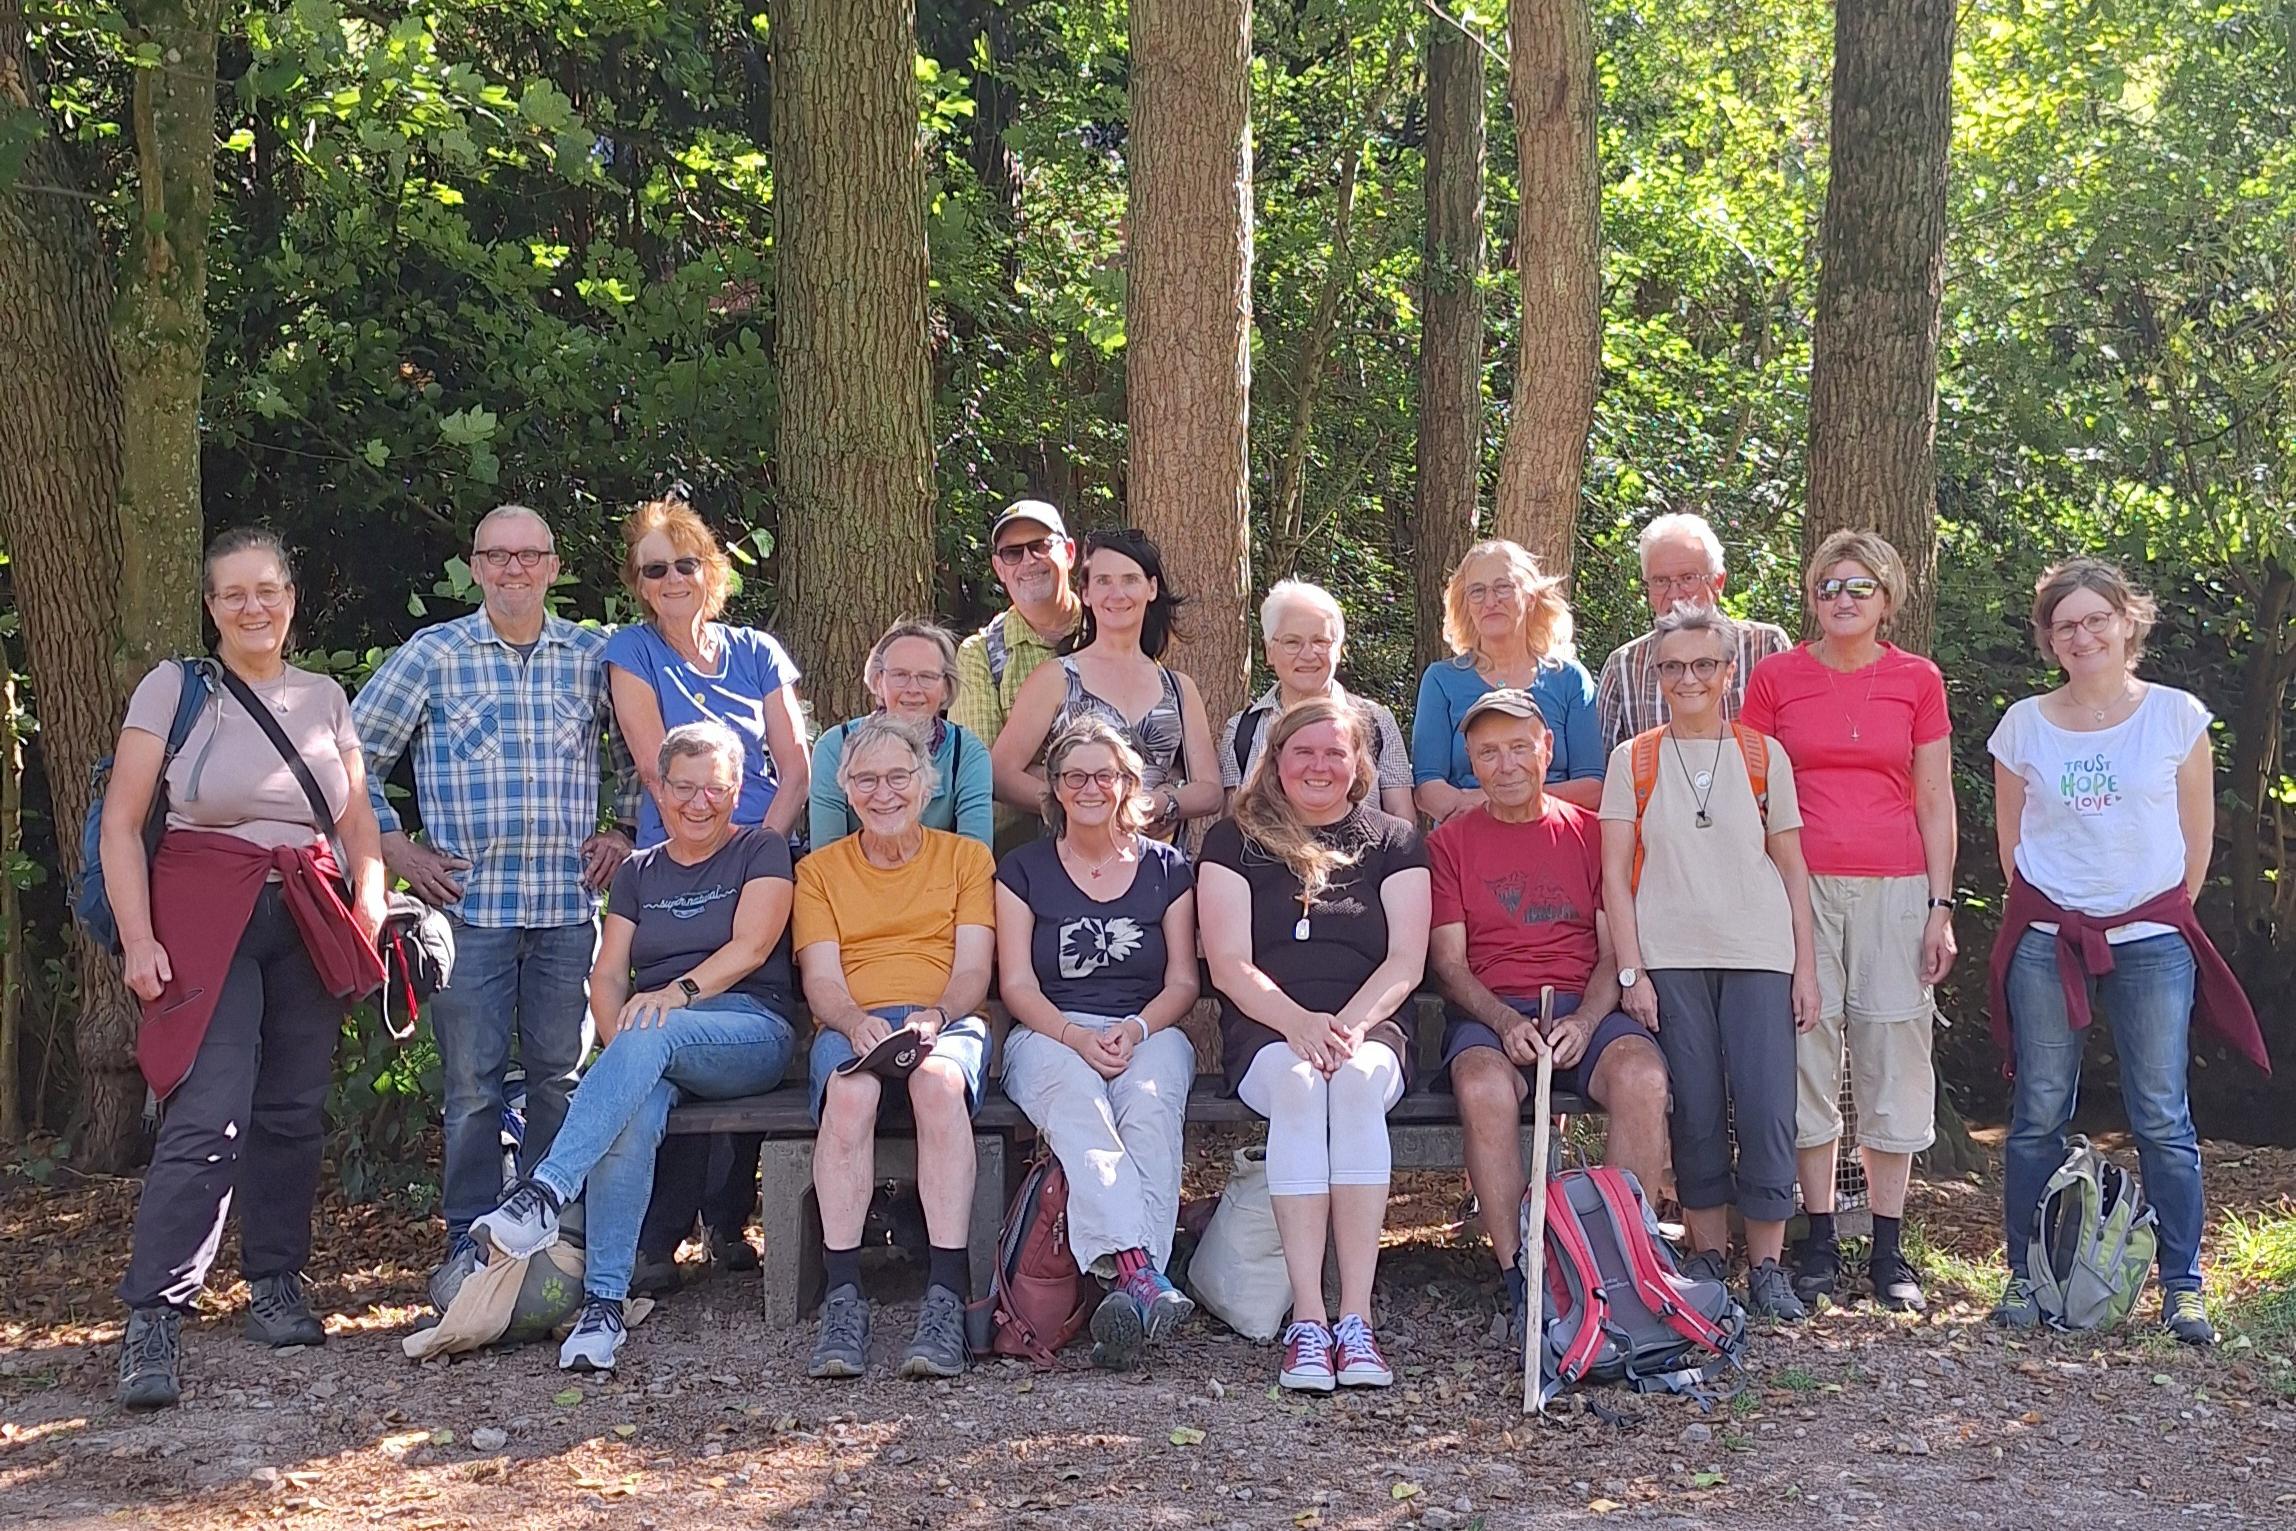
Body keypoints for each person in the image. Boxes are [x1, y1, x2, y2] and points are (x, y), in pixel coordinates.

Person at [108, 529, 388, 1409]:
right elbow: (123, 824)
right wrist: (137, 937)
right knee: (208, 1111)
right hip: (201, 915)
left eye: (267, 589)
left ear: (291, 597)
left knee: (294, 1109)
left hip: (306, 912)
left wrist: (372, 906)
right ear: (211, 605)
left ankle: (275, 1282)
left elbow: (357, 825)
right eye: (233, 594)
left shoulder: (324, 696)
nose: (253, 607)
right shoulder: (175, 690)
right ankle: (153, 1313)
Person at [353, 505, 637, 1307]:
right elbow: (348, 751)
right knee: (472, 1086)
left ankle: (553, 1235)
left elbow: (636, 754)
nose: (514, 569)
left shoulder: (591, 655)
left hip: (564, 908)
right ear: (474, 568)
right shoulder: (433, 655)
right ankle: (468, 1245)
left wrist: (621, 827)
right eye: (497, 556)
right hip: (467, 908)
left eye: (529, 556)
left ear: (553, 566)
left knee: (560, 1076)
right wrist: (395, 846)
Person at [1986, 559, 2265, 1346]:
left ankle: (2184, 1285)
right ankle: (2027, 1274)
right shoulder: (2023, 725)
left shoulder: (2177, 717)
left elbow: (2197, 837)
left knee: (2161, 1114)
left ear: (2126, 622)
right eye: (2065, 624)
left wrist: (2153, 910)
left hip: (2151, 940)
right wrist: (2059, 907)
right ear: (2050, 639)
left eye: (2095, 618)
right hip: (2050, 942)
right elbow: (2013, 846)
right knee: (2038, 1111)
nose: (2083, 635)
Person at [467, 722, 798, 1372]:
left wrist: (675, 995)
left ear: (737, 791)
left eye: (716, 788)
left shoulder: (760, 849)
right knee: (631, 1116)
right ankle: (603, 1309)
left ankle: (545, 1193)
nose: (698, 801)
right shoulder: (641, 871)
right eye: (684, 787)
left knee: (653, 1033)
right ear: (659, 788)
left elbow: (752, 947)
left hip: (748, 1030)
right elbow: (610, 972)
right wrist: (621, 1042)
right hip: (654, 1042)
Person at [1741, 531, 1956, 1312]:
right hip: (1796, 887)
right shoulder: (1776, 677)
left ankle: (1890, 1249)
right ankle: (1820, 1238)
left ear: (1887, 598)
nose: (1842, 599)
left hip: (1898, 888)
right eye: (1828, 585)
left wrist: (1941, 904)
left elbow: (1934, 797)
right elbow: (1750, 788)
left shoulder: (1917, 679)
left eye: (1859, 587)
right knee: (1807, 1051)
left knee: (1893, 1051)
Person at [605, 495, 809, 1291]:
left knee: (761, 1016)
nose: (672, 578)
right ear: (641, 584)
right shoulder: (632, 652)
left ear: (709, 569)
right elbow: (662, 774)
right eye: (654, 569)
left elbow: (793, 764)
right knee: (676, 1012)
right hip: (681, 857)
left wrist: (765, 848)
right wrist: (709, 841)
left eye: (684, 562)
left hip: (764, 862)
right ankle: (661, 1231)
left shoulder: (757, 651)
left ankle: (730, 1222)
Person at [1199, 699, 1430, 1392]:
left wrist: (1350, 1027)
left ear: (1361, 762)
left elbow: (1405, 963)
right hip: (1266, 1027)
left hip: (1371, 1022)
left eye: (1336, 752)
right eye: (1304, 752)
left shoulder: (1394, 839)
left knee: (1355, 1082)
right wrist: (1297, 1022)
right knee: (1300, 1088)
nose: (1320, 766)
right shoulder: (1232, 840)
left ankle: (1355, 1320)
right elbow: (1230, 964)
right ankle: (1308, 1319)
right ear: (1274, 761)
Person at [1427, 689, 1673, 1331]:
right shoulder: (1449, 843)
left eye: (1518, 747)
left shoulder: (1591, 834)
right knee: (1482, 1087)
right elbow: (1450, 964)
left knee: (1642, 1076)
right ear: (1472, 764)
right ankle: (1521, 1274)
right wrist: (1505, 1023)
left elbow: (1611, 946)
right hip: (1492, 1012)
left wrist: (1587, 1021)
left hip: (1583, 1008)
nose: (1505, 764)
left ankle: (1626, 1265)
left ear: (1548, 749)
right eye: (1487, 753)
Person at [1598, 603, 1818, 1322]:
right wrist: (1631, 971)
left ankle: (1769, 1266)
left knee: (1764, 1107)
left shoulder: (1763, 755)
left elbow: (1792, 869)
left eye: (1702, 664)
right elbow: (1614, 874)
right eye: (1672, 666)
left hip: (1759, 954)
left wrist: (1806, 968)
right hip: (1670, 958)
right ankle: (1703, 1256)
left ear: (1729, 671)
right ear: (1655, 674)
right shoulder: (1634, 759)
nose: (1687, 678)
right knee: (1692, 1105)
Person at [797, 716, 998, 1380]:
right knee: (851, 1093)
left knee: (936, 1086)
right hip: (853, 1024)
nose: (883, 793)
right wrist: (853, 1019)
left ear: (925, 782)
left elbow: (974, 968)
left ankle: (945, 1295)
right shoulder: (820, 871)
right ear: (846, 790)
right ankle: (843, 1294)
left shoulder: (966, 858)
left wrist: (938, 1013)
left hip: (946, 1016)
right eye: (866, 780)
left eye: (897, 777)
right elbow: (821, 977)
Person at [996, 720, 1201, 1369]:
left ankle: (1130, 1291)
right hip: (1050, 1031)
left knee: (1149, 1097)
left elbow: (1183, 982)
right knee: (1079, 1098)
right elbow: (1016, 983)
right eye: (1074, 775)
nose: (1090, 786)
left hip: (1148, 1027)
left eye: (1103, 774)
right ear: (1054, 788)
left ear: (1127, 784)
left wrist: (1136, 1028)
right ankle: (1141, 1272)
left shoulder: (1168, 868)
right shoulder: (1023, 868)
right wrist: (1075, 1035)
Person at [991, 528, 1221, 841]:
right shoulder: (1055, 678)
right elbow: (1000, 773)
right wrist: (1075, 802)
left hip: (1159, 869)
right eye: (1103, 581)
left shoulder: (1179, 688)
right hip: (1072, 864)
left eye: (1130, 579)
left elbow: (1210, 790)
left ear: (1151, 588)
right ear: (1085, 593)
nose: (1117, 593)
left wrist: (1163, 803)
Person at [1414, 539, 1603, 822]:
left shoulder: (1570, 679)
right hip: (1468, 838)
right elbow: (1427, 788)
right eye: (1477, 591)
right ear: (1465, 604)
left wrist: (1507, 800)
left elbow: (1592, 787)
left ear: (1530, 597)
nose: (1490, 601)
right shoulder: (1441, 681)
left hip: (1555, 835)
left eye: (1503, 587)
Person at [1592, 511, 1792, 751]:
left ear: (1718, 583)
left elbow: (1794, 749)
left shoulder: (1766, 647)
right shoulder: (1623, 667)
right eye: (1661, 581)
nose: (1675, 594)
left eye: (1688, 578)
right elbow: (1603, 771)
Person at [952, 500, 1084, 854]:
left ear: (1069, 552)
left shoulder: (1113, 628)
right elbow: (981, 772)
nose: (1028, 561)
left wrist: (1031, 768)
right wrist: (1082, 801)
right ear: (998, 567)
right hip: (1018, 850)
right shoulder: (979, 654)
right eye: (1012, 553)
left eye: (1040, 545)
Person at [1219, 579, 1413, 819]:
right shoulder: (1242, 730)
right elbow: (1232, 823)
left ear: (1339, 650)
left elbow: (1401, 818)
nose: (1308, 654)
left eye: (1320, 641)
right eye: (1292, 642)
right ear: (1269, 651)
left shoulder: (1377, 722)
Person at [809, 620, 993, 849]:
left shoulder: (968, 753)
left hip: (943, 883)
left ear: (946, 686)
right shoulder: (834, 746)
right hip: (851, 882)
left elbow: (976, 857)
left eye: (926, 676)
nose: (913, 689)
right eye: (899, 675)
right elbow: (826, 856)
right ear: (878, 681)